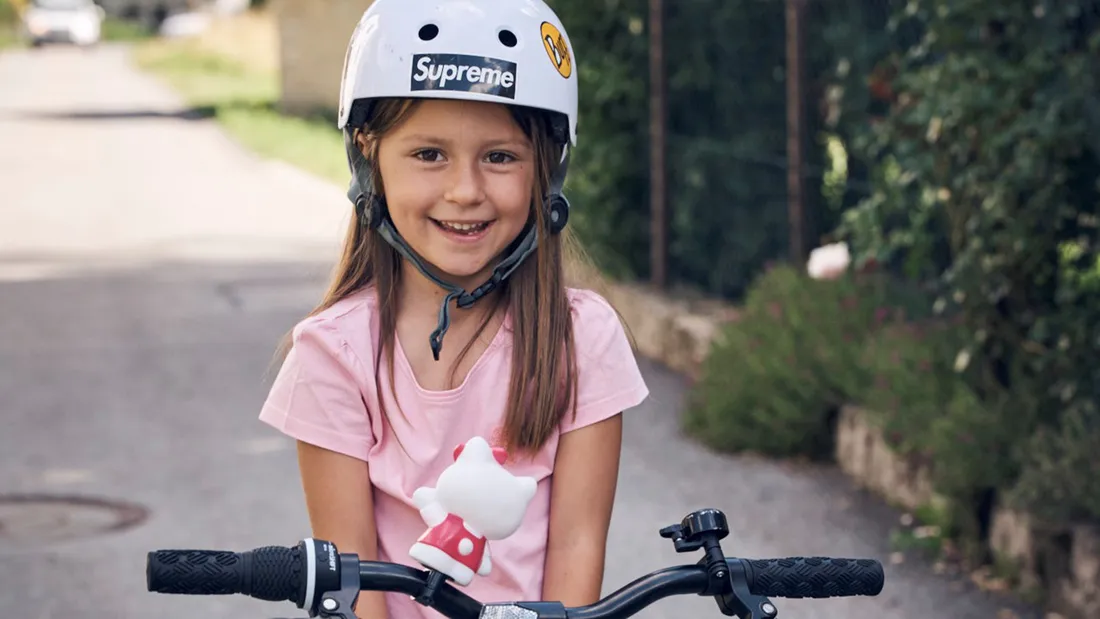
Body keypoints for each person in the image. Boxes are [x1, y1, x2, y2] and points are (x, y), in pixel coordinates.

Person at [257, 1, 650, 618]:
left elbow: (577, 547)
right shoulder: (332, 354)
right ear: (369, 159)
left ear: (546, 170)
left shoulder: (581, 338)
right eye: (429, 154)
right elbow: (351, 579)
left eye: (500, 156)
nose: (465, 190)